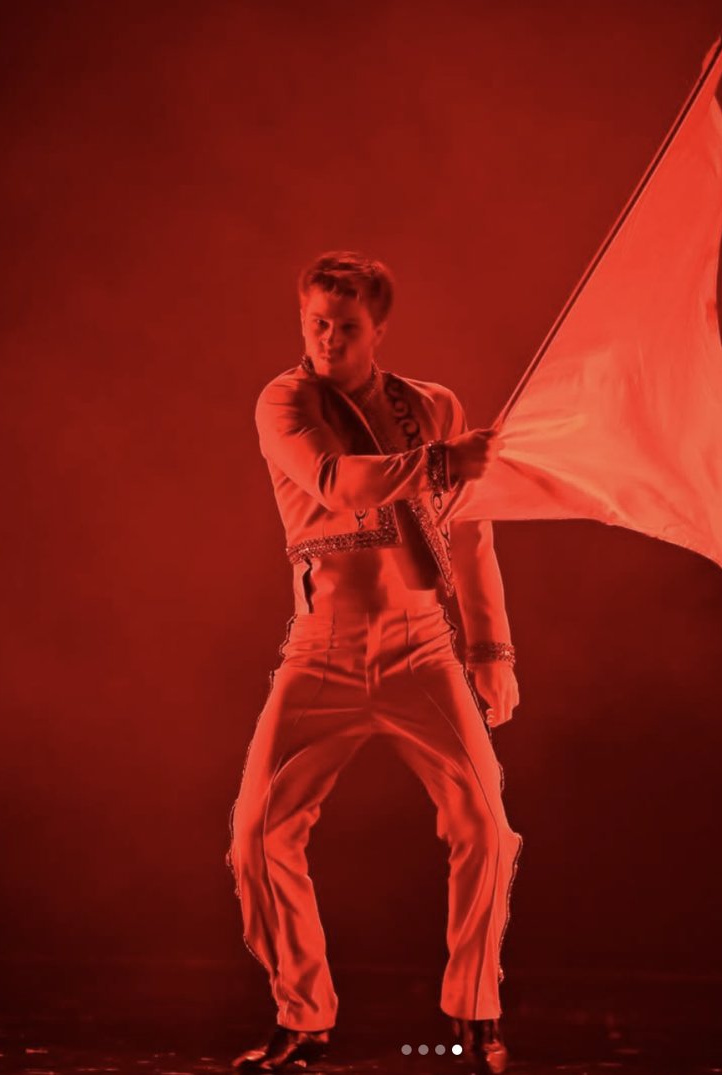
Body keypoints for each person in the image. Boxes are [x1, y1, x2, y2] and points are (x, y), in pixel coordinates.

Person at [225, 251, 523, 1074]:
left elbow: (471, 530)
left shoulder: (434, 407)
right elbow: (334, 480)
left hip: (422, 643)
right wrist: (440, 463)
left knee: (488, 829)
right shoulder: (285, 399)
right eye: (316, 322)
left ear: (378, 329)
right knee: (257, 832)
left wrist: (492, 648)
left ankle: (474, 1015)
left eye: (346, 326)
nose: (326, 338)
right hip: (321, 646)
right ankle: (304, 1018)